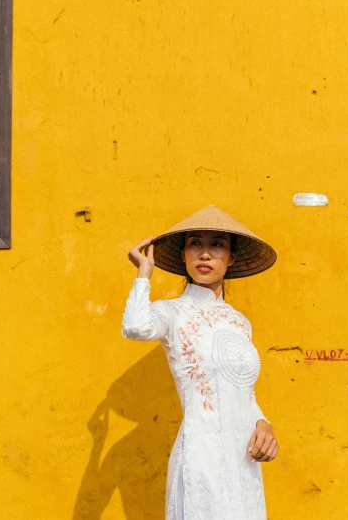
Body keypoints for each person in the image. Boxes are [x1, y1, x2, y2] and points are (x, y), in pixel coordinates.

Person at [121, 205, 278, 520]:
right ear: (184, 255)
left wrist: (264, 424)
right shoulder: (172, 313)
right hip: (201, 457)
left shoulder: (240, 322)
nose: (205, 254)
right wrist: (143, 273)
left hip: (244, 461)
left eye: (217, 244)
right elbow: (135, 327)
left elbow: (243, 391)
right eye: (195, 243)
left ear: (231, 258)